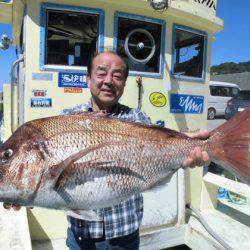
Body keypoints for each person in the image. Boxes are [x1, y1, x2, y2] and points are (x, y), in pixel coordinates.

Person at [4, 51, 210, 249]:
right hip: (82, 236)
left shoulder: (137, 119)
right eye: (101, 73)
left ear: (123, 83)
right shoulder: (67, 118)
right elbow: (45, 189)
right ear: (88, 79)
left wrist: (189, 147)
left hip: (125, 234)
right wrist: (21, 195)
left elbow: (167, 143)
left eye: (117, 75)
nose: (109, 80)